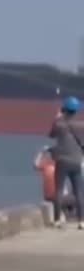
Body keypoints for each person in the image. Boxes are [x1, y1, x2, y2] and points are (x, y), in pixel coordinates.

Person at [48, 96, 84, 229]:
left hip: (62, 160)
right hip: (76, 160)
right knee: (79, 192)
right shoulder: (81, 125)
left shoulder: (59, 124)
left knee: (59, 190)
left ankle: (57, 220)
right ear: (76, 110)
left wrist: (57, 118)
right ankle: (81, 221)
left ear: (64, 109)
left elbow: (51, 135)